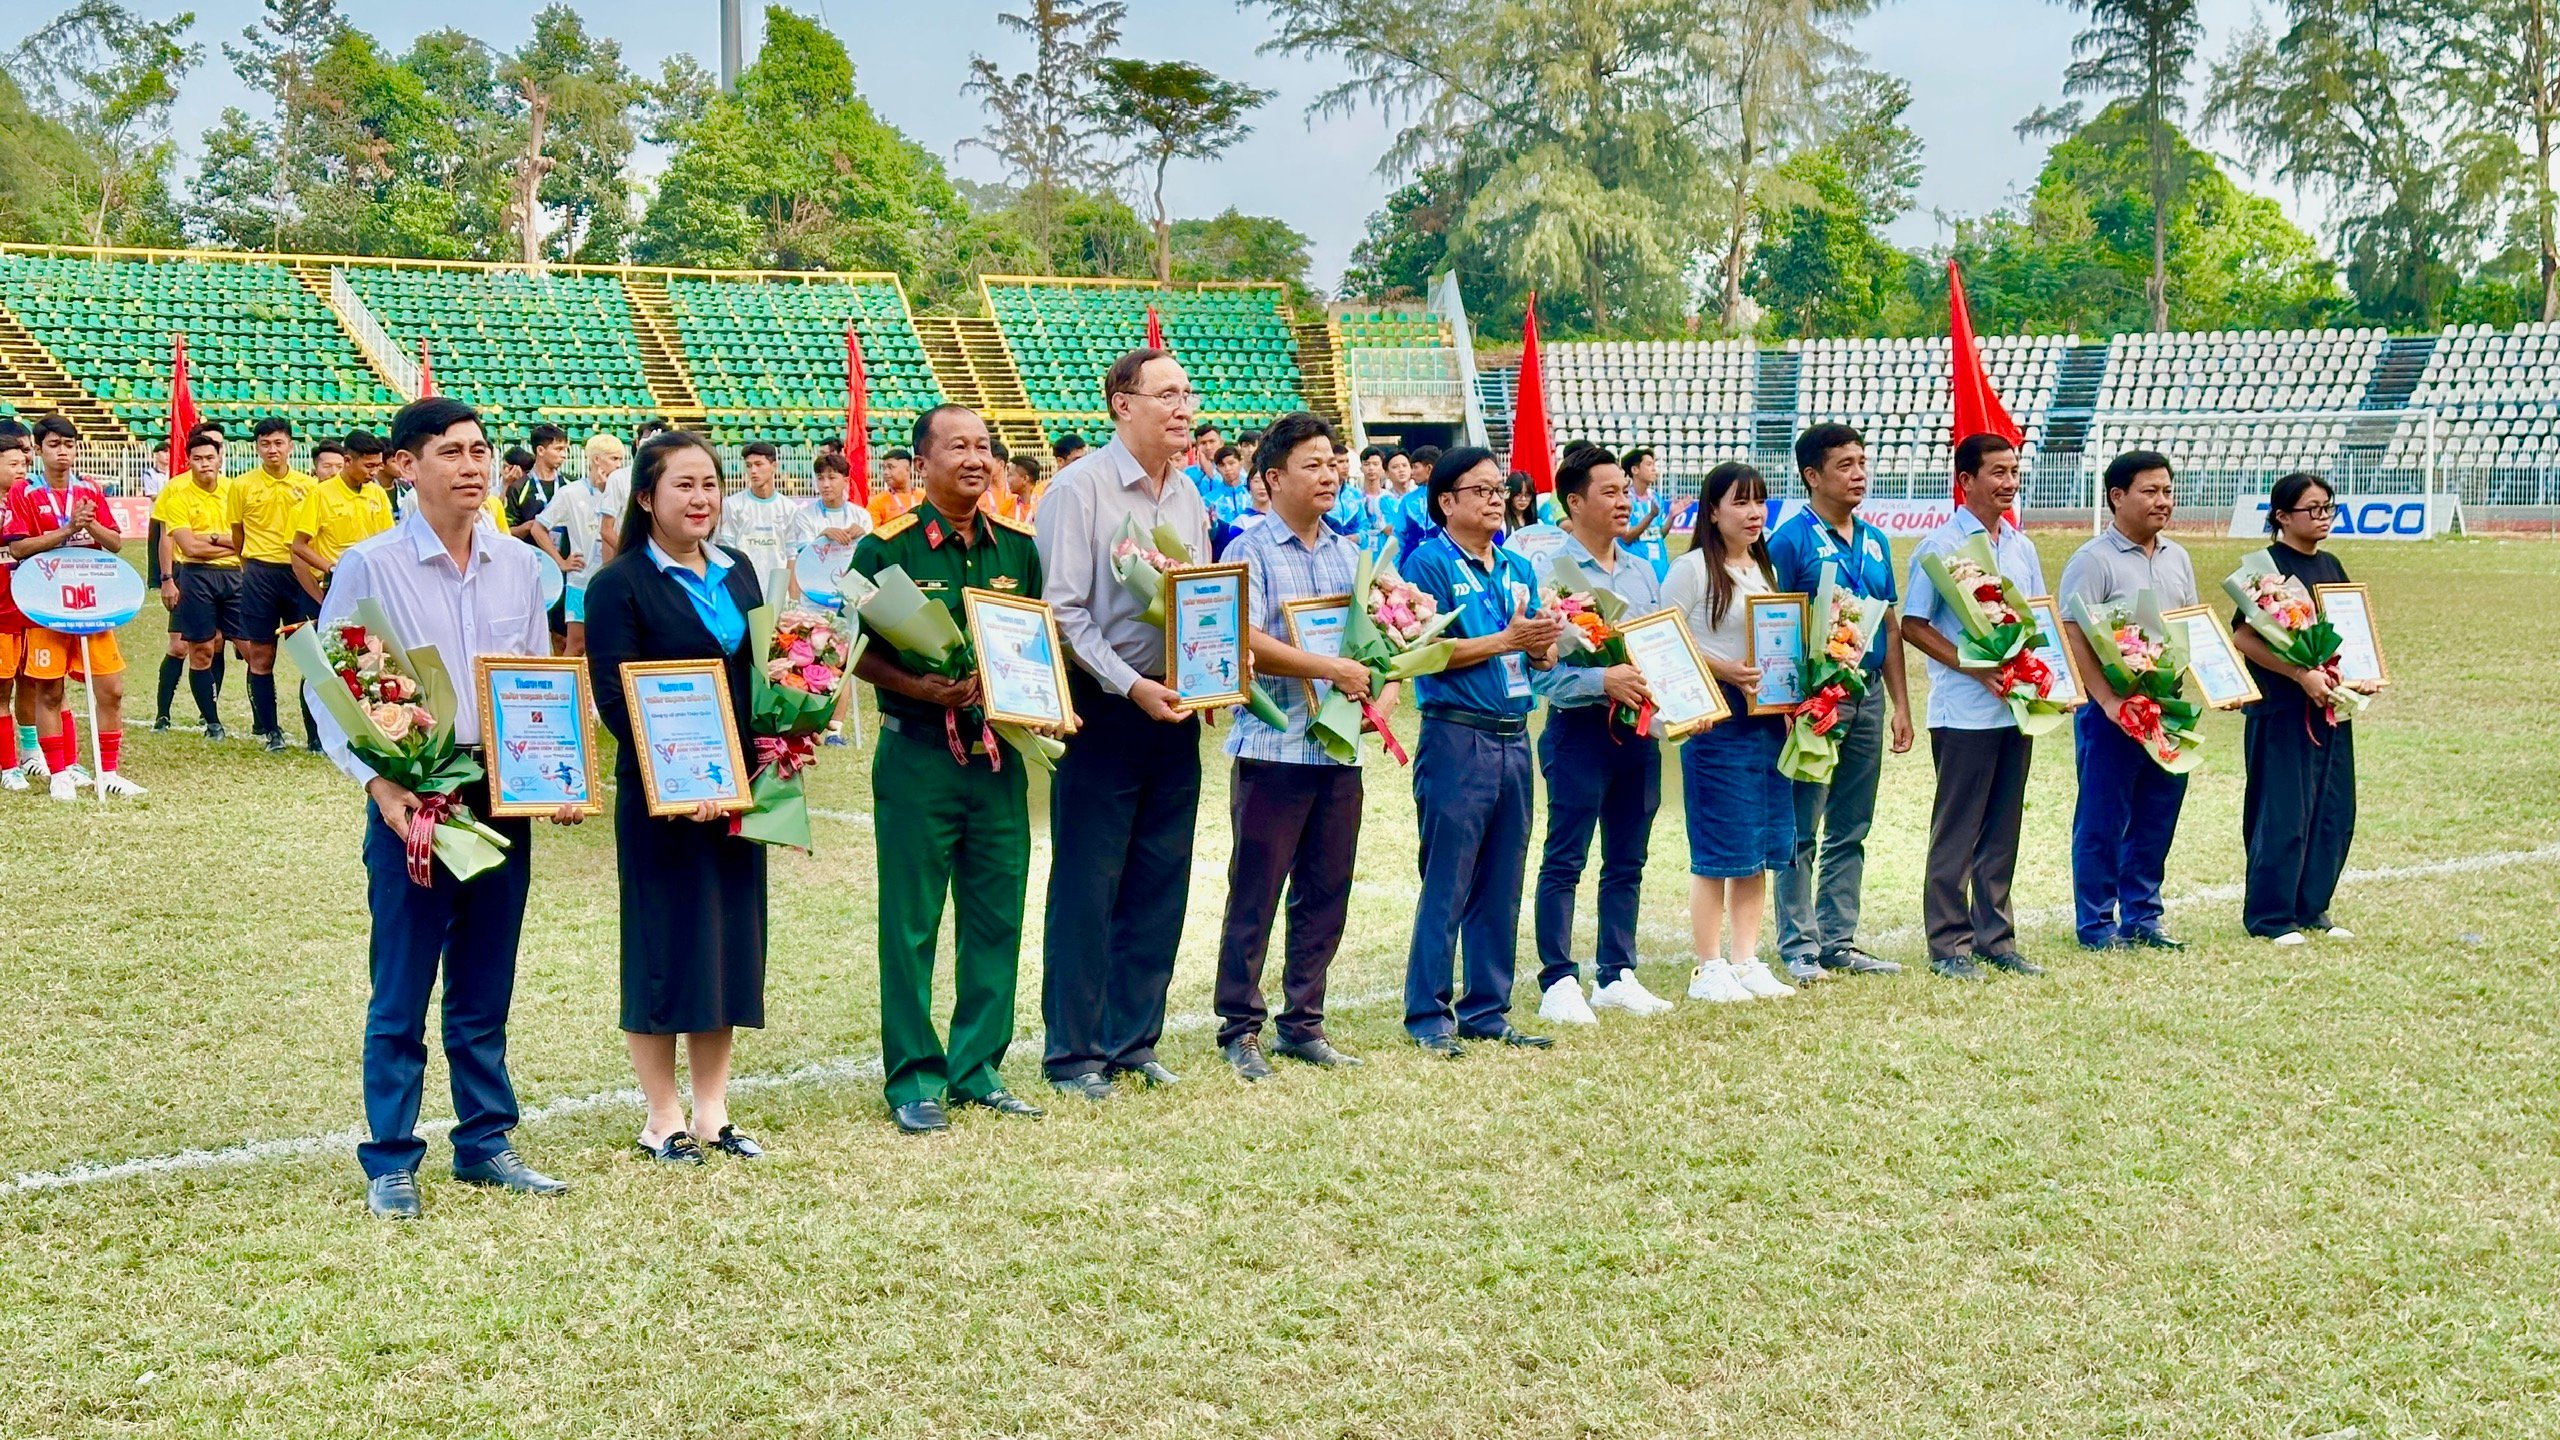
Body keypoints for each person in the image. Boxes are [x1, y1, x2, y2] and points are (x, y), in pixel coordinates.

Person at [310, 396, 581, 1220]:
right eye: (452, 452)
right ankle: (391, 1157)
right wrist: (381, 786)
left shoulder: (517, 565)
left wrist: (557, 774)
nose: (473, 466)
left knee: (484, 979)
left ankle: (485, 1139)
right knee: (402, 982)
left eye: (480, 451)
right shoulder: (369, 564)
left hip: (503, 793)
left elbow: (536, 676)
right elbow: (331, 690)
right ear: (405, 466)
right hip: (415, 798)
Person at [849, 404, 1050, 1131]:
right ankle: (913, 1079)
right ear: (922, 463)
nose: (975, 457)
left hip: (999, 760)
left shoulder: (1020, 549)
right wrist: (918, 687)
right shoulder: (885, 549)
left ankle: (978, 1068)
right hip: (918, 758)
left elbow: (1036, 640)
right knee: (911, 924)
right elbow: (852, 651)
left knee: (997, 917)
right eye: (957, 446)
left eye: (985, 447)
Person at [585, 431, 772, 1166]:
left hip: (739, 795)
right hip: (663, 799)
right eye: (683, 486)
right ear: (645, 498)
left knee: (727, 943)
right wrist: (680, 781)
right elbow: (612, 698)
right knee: (664, 946)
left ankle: (713, 1116)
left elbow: (764, 675)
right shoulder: (619, 584)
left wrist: (785, 736)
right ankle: (662, 1118)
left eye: (710, 485)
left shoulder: (741, 571)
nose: (702, 499)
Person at [1033, 347, 1215, 1100]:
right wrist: (1132, 683)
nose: (1183, 408)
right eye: (1167, 394)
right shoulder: (1081, 490)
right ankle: (1074, 1053)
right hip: (1104, 709)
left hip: (1175, 713)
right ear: (1122, 404)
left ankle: (1134, 1040)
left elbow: (1205, 599)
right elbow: (1065, 611)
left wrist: (1206, 675)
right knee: (1088, 882)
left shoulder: (1191, 497)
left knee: (1159, 879)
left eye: (1188, 393)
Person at [1213, 414, 1375, 1079]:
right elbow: (1242, 638)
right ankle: (1239, 1028)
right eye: (1313, 464)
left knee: (1325, 889)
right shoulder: (1246, 550)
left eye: (1334, 462)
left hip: (1337, 751)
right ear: (1273, 477)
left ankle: (1303, 1022)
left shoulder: (1350, 553)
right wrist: (1329, 670)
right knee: (1256, 891)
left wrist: (1373, 689)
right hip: (1273, 747)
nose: (1330, 474)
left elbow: (1369, 645)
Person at [1401, 447, 1565, 1055]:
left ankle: (1488, 1009)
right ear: (1446, 501)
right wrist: (1506, 639)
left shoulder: (1515, 565)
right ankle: (1429, 1016)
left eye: (1500, 489)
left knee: (1502, 876)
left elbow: (1532, 654)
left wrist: (1544, 646)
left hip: (1512, 735)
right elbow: (1425, 652)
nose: (1497, 499)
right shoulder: (1428, 564)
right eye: (1482, 490)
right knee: (1448, 879)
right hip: (1456, 735)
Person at [1765, 424, 1915, 982]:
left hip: (1868, 693)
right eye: (1845, 465)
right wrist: (1786, 702)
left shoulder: (1875, 539)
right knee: (1802, 824)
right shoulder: (1789, 540)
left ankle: (1839, 939)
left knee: (1852, 822)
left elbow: (1891, 625)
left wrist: (1900, 703)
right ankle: (1799, 944)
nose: (1859, 473)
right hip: (1816, 699)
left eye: (1862, 462)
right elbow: (1773, 623)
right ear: (1812, 475)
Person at [1530, 446, 1672, 1025]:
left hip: (1638, 734)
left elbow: (1664, 651)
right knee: (1565, 856)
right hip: (1579, 732)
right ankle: (1559, 979)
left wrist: (1684, 699)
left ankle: (1618, 973)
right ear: (1575, 501)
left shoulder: (1641, 570)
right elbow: (1539, 675)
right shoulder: (1549, 574)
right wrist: (1600, 678)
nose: (1623, 501)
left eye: (1625, 491)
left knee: (1628, 857)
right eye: (1609, 492)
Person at [1901, 433, 2050, 982]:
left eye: (2014, 471)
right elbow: (1912, 624)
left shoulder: (2021, 545)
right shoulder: (1939, 547)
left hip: (2016, 707)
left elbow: (2036, 620)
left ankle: (1996, 938)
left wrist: (2045, 680)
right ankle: (1948, 944)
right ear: (1965, 481)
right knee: (1958, 830)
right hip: (1963, 711)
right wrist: (1972, 665)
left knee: (2003, 827)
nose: (2009, 482)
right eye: (1997, 472)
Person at [1663, 462, 1798, 1003]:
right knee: (1719, 849)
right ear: (1712, 511)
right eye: (1740, 502)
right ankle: (1709, 966)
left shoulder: (1764, 572)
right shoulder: (1693, 568)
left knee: (1761, 845)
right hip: (1714, 723)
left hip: (1765, 726)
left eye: (1759, 501)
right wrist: (1724, 668)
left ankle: (1746, 960)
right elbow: (1660, 634)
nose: (1753, 513)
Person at [2059, 450, 2201, 953]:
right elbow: (2072, 634)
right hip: (2111, 712)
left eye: (2167, 490)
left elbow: (2190, 627)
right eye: (2150, 491)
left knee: (2157, 813)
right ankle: (2096, 924)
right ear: (2117, 497)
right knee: (2103, 816)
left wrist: (2216, 685)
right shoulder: (2092, 560)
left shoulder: (2178, 557)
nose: (2163, 501)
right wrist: (2107, 701)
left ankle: (2144, 916)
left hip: (2168, 707)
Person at [2231, 471, 2374, 946]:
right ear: (2281, 516)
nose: (2322, 517)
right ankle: (2271, 917)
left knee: (2332, 809)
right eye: (2311, 509)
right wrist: (2299, 675)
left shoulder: (2332, 565)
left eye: (2328, 507)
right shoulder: (2264, 569)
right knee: (2283, 811)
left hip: (2331, 708)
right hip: (2282, 710)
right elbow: (2245, 636)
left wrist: (2356, 676)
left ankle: (2313, 908)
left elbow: (2346, 636)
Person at [5, 414, 143, 799]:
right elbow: (17, 547)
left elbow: (115, 543)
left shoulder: (90, 489)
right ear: (39, 450)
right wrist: (67, 529)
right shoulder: (25, 492)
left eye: (68, 445)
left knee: (111, 689)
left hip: (91, 599)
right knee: (49, 690)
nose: (62, 452)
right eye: (53, 445)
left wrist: (89, 524)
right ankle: (60, 771)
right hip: (46, 600)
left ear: (76, 448)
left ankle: (109, 771)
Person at [227, 417, 317, 753]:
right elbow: (237, 535)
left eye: (278, 443)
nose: (272, 450)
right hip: (260, 575)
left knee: (311, 656)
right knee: (261, 657)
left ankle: (316, 736)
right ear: (257, 447)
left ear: (291, 446)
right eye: (265, 444)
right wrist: (249, 566)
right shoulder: (242, 486)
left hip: (298, 574)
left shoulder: (308, 487)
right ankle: (271, 732)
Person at [156, 429, 243, 742]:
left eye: (213, 452)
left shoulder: (235, 489)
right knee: (184, 646)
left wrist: (212, 539)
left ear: (221, 456)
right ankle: (164, 713)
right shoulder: (176, 489)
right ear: (188, 457)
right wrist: (167, 578)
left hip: (235, 575)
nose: (206, 461)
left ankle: (251, 720)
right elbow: (174, 541)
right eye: (199, 455)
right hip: (190, 574)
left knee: (239, 647)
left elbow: (247, 540)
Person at [535, 436, 622, 658]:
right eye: (614, 459)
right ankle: (563, 691)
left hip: (614, 580)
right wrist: (561, 561)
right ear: (597, 460)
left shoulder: (622, 492)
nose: (619, 465)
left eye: (621, 459)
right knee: (576, 645)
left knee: (611, 644)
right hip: (581, 581)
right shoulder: (570, 493)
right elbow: (538, 528)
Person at [720, 440, 814, 603]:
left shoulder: (789, 508)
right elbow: (728, 555)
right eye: (749, 466)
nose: (753, 471)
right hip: (744, 594)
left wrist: (794, 602)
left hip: (778, 598)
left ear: (774, 466)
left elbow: (791, 556)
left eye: (758, 464)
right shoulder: (732, 505)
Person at [0, 421, 32, 789]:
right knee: (1, 687)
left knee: (34, 681)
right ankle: (8, 765)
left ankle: (30, 752)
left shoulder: (28, 501)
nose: (22, 469)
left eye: (25, 462)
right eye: (14, 463)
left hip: (29, 605)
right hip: (1, 610)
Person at [1619, 447, 1673, 579]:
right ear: (1635, 470)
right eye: (1649, 464)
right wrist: (1650, 516)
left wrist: (1672, 515)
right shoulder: (1625, 499)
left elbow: (1658, 534)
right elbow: (1626, 537)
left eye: (1654, 464)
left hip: (1659, 567)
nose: (1654, 469)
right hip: (1636, 571)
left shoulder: (1655, 497)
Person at [806, 451, 871, 543]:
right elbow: (803, 554)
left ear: (846, 481)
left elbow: (870, 552)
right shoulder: (805, 516)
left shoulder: (861, 516)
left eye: (832, 478)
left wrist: (863, 537)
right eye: (820, 478)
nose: (825, 485)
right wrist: (822, 537)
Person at [867, 448, 920, 528]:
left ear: (907, 469)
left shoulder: (926, 498)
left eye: (890, 467)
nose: (885, 472)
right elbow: (872, 536)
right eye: (883, 468)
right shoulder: (877, 502)